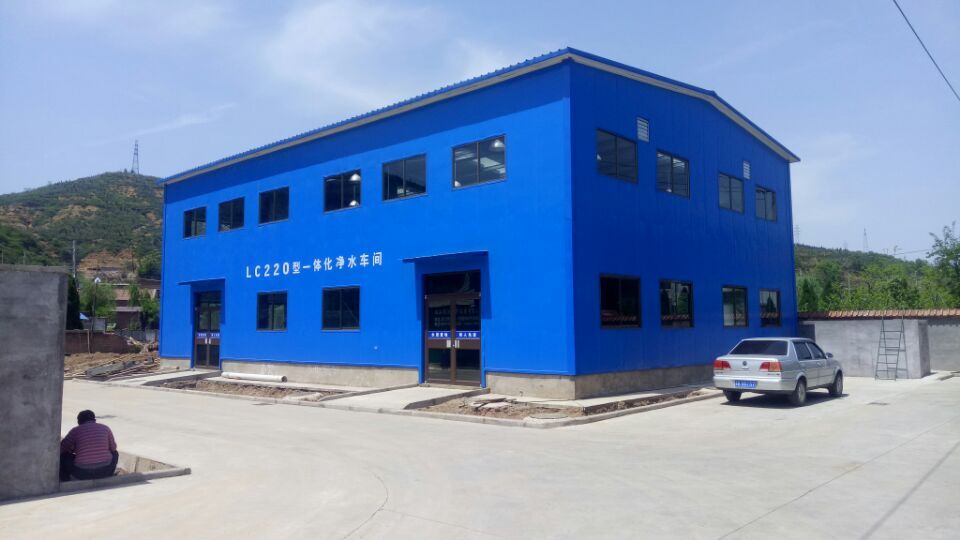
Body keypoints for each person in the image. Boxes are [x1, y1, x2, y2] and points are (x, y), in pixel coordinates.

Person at [59, 410, 118, 481]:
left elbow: (62, 448)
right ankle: (110, 474)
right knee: (115, 453)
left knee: (63, 457)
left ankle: (65, 480)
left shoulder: (75, 431)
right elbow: (113, 448)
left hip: (82, 473)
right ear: (94, 420)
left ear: (79, 422)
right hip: (105, 470)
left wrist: (73, 449)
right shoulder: (105, 428)